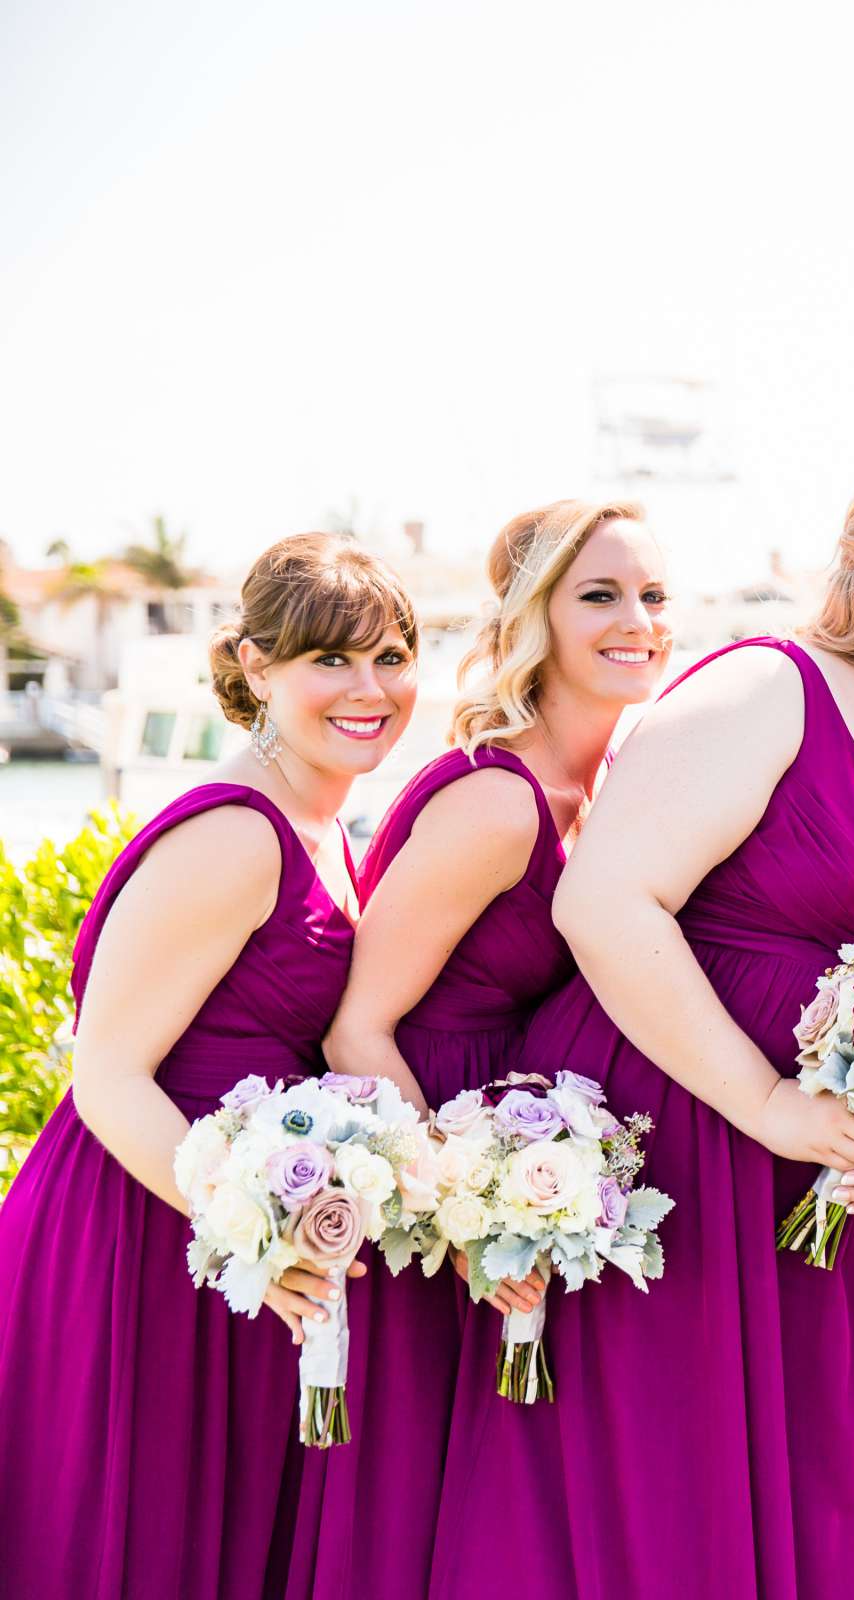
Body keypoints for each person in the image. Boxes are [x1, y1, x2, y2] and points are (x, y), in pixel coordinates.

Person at [429, 460, 854, 1599]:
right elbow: (604, 902)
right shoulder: (771, 691)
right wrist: (766, 1103)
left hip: (846, 1191)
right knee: (667, 1505)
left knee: (828, 1490)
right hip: (683, 1145)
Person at [0, 533, 418, 1597]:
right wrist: (255, 1236)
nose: (370, 688)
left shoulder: (327, 827)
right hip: (141, 1226)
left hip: (218, 1239)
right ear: (254, 671)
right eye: (331, 660)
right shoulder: (236, 836)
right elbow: (105, 1075)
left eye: (392, 655)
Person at [286, 499, 671, 1600]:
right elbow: (356, 1024)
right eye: (599, 594)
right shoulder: (498, 803)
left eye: (653, 594)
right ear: (533, 617)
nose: (637, 619)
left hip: (517, 1158)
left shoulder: (609, 793)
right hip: (434, 1166)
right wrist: (462, 1211)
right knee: (420, 1501)